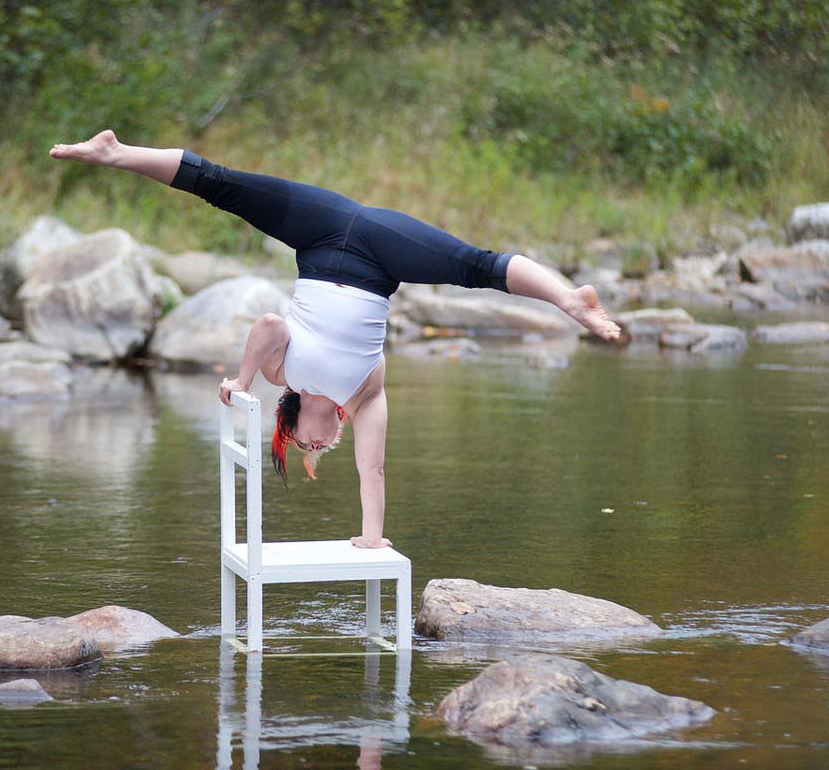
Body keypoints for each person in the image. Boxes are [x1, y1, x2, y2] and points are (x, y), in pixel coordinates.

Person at [49, 130, 622, 549]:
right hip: (380, 255)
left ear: (293, 421)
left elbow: (270, 324)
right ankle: (571, 303)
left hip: (322, 234)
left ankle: (571, 298)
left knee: (221, 186)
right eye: (314, 452)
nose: (315, 448)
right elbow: (372, 472)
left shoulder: (284, 375)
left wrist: (241, 382)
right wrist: (372, 539)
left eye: (302, 446)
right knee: (474, 266)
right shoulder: (366, 396)